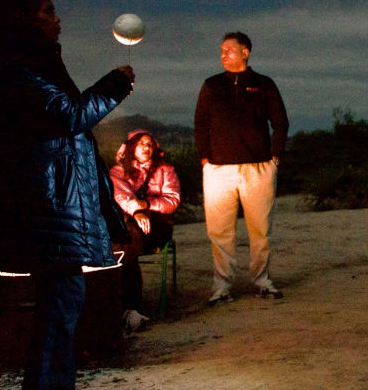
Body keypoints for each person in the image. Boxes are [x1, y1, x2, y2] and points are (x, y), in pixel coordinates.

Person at [0, 0, 134, 390]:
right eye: (47, 11)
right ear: (23, 18)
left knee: (65, 300)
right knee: (57, 303)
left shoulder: (29, 60)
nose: (56, 19)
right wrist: (115, 85)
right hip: (44, 199)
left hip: (55, 195)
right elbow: (68, 116)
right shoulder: (17, 66)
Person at [195, 32, 289, 304]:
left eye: (229, 50)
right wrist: (204, 159)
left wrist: (275, 157)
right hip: (218, 170)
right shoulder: (211, 85)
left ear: (245, 52)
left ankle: (261, 281)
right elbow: (200, 123)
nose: (223, 54)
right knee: (219, 231)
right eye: (221, 50)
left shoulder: (263, 84)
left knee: (260, 229)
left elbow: (280, 122)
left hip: (258, 167)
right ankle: (222, 286)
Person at [109, 129, 181, 331]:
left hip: (159, 225)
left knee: (125, 242)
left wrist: (145, 205)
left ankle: (128, 305)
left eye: (149, 144)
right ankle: (128, 305)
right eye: (141, 143)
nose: (146, 147)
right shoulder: (118, 172)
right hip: (131, 225)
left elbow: (172, 200)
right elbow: (120, 196)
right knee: (125, 239)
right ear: (130, 146)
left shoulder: (165, 170)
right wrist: (136, 212)